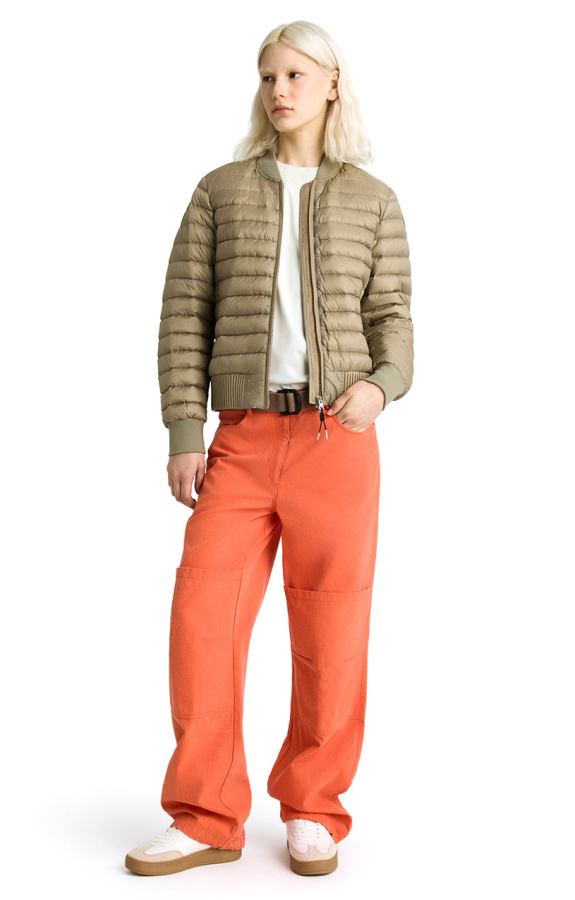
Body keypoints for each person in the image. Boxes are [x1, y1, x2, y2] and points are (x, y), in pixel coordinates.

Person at [125, 20, 413, 878]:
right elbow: (184, 316)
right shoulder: (219, 192)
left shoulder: (372, 200)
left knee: (332, 626)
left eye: (294, 74)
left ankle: (314, 808)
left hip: (337, 439)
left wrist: (382, 384)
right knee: (202, 620)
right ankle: (206, 815)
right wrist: (185, 431)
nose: (278, 90)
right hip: (242, 440)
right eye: (266, 76)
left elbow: (393, 318)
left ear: (331, 83)